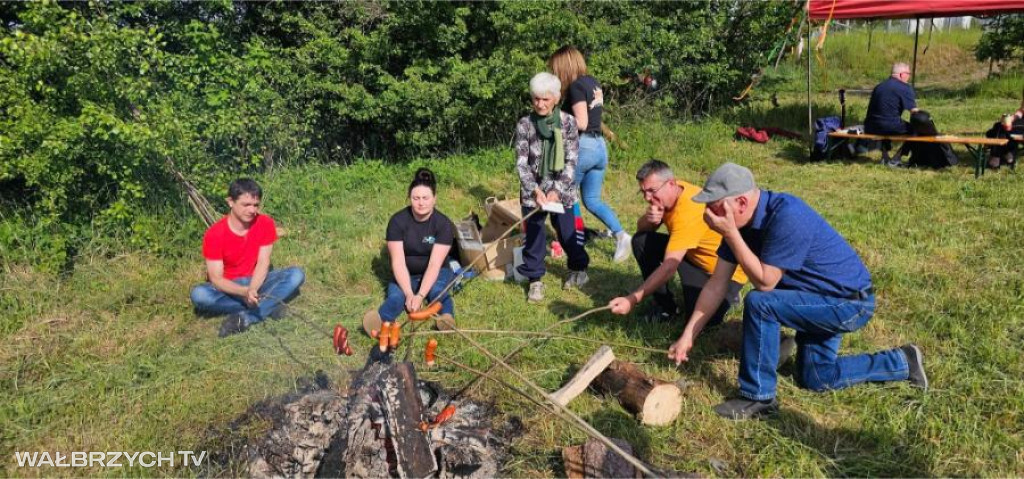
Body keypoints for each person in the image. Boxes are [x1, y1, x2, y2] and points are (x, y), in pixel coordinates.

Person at [668, 163, 928, 420]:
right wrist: (688, 335)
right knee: (818, 378)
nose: (709, 216)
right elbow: (717, 284)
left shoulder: (786, 216)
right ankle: (902, 361)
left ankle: (758, 397)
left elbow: (766, 283)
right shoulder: (737, 225)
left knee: (761, 302)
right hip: (813, 298)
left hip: (848, 304)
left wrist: (731, 234)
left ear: (742, 203)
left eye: (714, 207)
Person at [607, 160, 748, 326]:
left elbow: (669, 267)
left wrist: (632, 299)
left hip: (723, 271)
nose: (647, 198)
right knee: (641, 241)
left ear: (671, 184)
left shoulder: (687, 211)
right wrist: (650, 220)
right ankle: (666, 307)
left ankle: (730, 295)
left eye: (652, 191)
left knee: (702, 323)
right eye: (643, 192)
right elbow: (641, 231)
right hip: (692, 255)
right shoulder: (671, 193)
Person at [190, 178, 305, 338]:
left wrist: (252, 289)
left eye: (255, 205)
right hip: (229, 288)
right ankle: (270, 305)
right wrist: (244, 292)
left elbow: (263, 263)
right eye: (246, 205)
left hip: (258, 281)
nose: (252, 210)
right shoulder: (215, 234)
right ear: (231, 202)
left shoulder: (265, 223)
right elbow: (216, 278)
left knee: (296, 274)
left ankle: (247, 318)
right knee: (199, 295)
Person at [548, 46, 631, 262]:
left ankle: (571, 241)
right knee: (592, 200)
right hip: (599, 147)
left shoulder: (576, 87)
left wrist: (556, 118)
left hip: (583, 147)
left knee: (565, 198)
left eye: (555, 70)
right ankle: (622, 235)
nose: (555, 75)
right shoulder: (592, 82)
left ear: (564, 67)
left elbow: (582, 122)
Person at [515, 72, 590, 303]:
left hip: (562, 191)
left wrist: (556, 190)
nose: (540, 104)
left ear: (556, 99)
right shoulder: (525, 124)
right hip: (533, 193)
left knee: (568, 234)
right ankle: (535, 280)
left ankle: (578, 269)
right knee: (534, 237)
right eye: (536, 99)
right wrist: (535, 190)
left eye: (545, 99)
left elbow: (571, 161)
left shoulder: (568, 123)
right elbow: (521, 163)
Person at [364, 168, 457, 333]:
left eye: (425, 198)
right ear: (409, 198)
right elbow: (398, 262)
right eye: (416, 198)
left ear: (434, 199)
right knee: (396, 297)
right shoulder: (397, 221)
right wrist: (408, 293)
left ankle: (446, 318)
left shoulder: (443, 224)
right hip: (405, 272)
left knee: (437, 292)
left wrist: (420, 295)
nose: (421, 203)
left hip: (438, 271)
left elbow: (435, 264)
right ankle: (378, 322)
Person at [864, 62, 919, 167]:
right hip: (889, 126)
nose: (909, 76)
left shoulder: (879, 86)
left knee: (885, 122)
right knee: (916, 130)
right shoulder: (904, 88)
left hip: (870, 126)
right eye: (908, 74)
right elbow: (914, 111)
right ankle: (896, 158)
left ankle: (885, 156)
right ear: (902, 75)